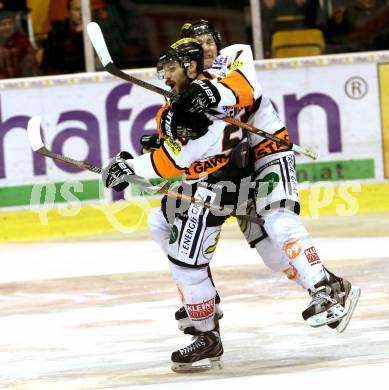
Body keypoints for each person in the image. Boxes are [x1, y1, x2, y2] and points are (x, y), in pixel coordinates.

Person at [164, 19, 361, 335]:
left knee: (278, 219)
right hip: (234, 169)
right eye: (198, 42)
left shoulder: (236, 55)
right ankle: (332, 284)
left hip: (268, 153)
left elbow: (246, 89)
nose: (208, 45)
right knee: (270, 251)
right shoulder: (183, 86)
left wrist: (209, 93)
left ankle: (324, 288)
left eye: (210, 38)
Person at [102, 38, 256, 372]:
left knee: (185, 261)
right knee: (161, 223)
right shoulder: (206, 89)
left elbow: (171, 162)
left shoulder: (193, 104)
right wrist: (141, 158)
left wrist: (128, 168)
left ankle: (206, 333)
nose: (165, 76)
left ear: (190, 65)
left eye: (171, 68)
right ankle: (203, 298)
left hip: (217, 184)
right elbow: (177, 150)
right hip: (212, 176)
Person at [42, 0, 84, 74]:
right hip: (61, 79)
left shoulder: (94, 32)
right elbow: (46, 66)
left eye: (84, 9)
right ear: (68, 13)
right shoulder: (55, 34)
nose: (81, 13)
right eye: (77, 9)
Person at [0, 7, 38, 79]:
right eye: (3, 24)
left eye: (10, 23)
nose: (7, 27)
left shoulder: (23, 42)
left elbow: (32, 68)